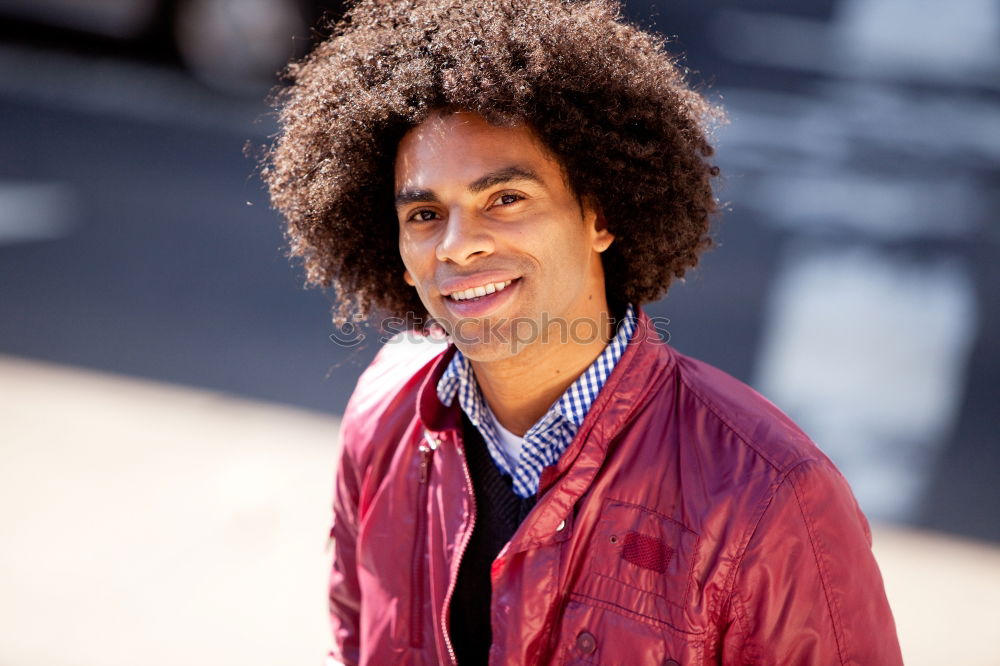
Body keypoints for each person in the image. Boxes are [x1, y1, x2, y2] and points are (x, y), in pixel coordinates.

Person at [265, 0, 903, 663]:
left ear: (599, 216)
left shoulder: (770, 493)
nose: (457, 246)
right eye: (425, 213)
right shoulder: (383, 414)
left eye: (505, 200)